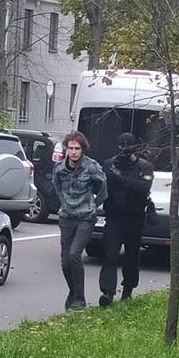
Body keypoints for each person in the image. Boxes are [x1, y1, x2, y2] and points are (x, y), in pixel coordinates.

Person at [52, 131, 107, 311]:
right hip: (66, 217)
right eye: (71, 148)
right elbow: (56, 186)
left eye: (77, 148)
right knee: (65, 262)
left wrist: (93, 205)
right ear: (66, 149)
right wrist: (64, 203)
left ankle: (79, 299)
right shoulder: (60, 169)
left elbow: (103, 189)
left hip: (85, 217)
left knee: (74, 254)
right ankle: (73, 292)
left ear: (83, 149)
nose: (74, 152)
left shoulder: (91, 167)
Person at [98, 132, 154, 306]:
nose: (125, 150)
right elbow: (101, 187)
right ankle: (107, 292)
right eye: (122, 146)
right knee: (110, 255)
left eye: (128, 146)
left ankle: (128, 289)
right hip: (114, 217)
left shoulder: (144, 166)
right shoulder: (109, 164)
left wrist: (121, 178)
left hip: (134, 218)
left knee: (131, 257)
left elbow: (143, 187)